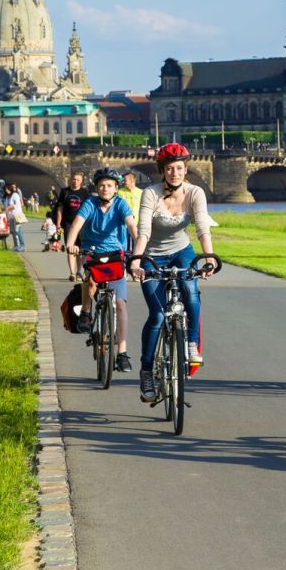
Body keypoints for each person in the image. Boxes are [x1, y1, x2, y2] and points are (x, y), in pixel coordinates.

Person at [129, 143, 218, 403]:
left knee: (191, 294)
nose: (175, 173)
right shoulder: (151, 194)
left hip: (182, 251)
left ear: (185, 169)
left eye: (179, 168)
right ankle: (147, 371)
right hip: (152, 255)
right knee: (157, 315)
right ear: (162, 170)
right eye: (170, 169)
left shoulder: (195, 193)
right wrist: (137, 260)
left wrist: (209, 256)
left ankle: (190, 343)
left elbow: (202, 227)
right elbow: (144, 230)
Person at [65, 167, 138, 374]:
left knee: (120, 304)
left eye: (109, 185)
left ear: (116, 188)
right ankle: (86, 313)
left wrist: (139, 246)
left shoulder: (121, 204)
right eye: (102, 185)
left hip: (116, 254)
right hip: (92, 250)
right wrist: (71, 244)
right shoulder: (90, 203)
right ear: (97, 188)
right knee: (89, 278)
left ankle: (122, 353)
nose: (105, 189)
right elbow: (77, 223)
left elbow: (131, 225)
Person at [50, 171, 89, 281]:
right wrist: (58, 224)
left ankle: (78, 272)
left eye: (77, 180)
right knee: (70, 247)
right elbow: (60, 209)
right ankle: (72, 272)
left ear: (81, 181)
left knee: (80, 250)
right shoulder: (65, 191)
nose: (75, 181)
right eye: (73, 179)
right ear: (70, 179)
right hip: (68, 223)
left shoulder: (85, 193)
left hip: (82, 224)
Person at [3, 182, 28, 252]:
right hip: (10, 217)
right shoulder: (7, 197)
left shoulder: (15, 195)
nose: (6, 190)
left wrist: (7, 208)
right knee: (13, 232)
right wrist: (0, 210)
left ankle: (22, 246)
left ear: (10, 188)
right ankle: (16, 246)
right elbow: (4, 206)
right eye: (5, 189)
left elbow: (16, 205)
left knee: (17, 231)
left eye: (7, 189)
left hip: (16, 216)